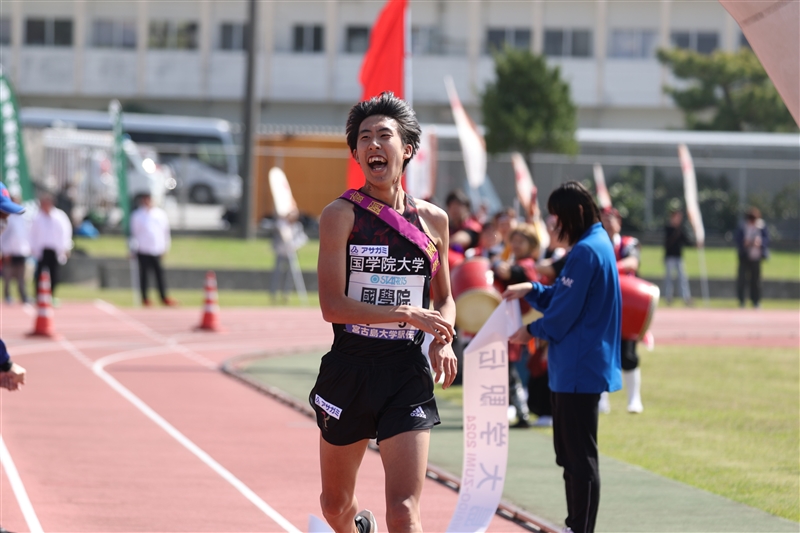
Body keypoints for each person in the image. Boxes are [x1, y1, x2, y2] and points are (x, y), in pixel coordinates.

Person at [310, 92, 457, 533]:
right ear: (355, 152)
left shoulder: (434, 221)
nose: (374, 144)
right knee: (334, 505)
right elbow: (331, 306)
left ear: (407, 149)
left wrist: (442, 336)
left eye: (384, 135)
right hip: (350, 367)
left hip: (405, 373)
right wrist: (409, 313)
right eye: (364, 138)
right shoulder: (340, 216)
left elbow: (445, 297)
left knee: (404, 510)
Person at [503, 181, 621, 533]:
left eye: (557, 219)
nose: (553, 227)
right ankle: (576, 525)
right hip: (577, 364)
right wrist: (533, 289)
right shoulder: (593, 246)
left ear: (576, 215)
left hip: (579, 366)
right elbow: (566, 295)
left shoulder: (586, 250)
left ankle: (579, 528)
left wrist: (531, 331)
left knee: (578, 457)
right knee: (571, 454)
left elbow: (566, 310)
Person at [494, 223, 541, 428]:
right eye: (514, 240)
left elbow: (507, 272)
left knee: (510, 371)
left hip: (516, 325)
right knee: (506, 371)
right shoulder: (518, 263)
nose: (516, 244)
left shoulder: (526, 265)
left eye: (521, 241)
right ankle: (518, 412)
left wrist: (496, 264)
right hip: (509, 323)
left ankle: (522, 413)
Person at [600, 206, 643, 414]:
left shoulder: (628, 243)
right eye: (603, 219)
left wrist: (610, 268)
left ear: (619, 222)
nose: (608, 222)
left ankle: (634, 398)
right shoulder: (595, 244)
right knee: (600, 351)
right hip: (600, 303)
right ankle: (601, 399)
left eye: (611, 218)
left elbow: (632, 261)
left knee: (628, 352)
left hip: (624, 304)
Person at [130, 193, 177, 307]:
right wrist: (132, 249)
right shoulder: (137, 215)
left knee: (159, 275)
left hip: (156, 249)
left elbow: (165, 232)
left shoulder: (160, 214)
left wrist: (166, 247)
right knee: (144, 275)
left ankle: (163, 297)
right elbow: (133, 233)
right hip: (143, 249)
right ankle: (145, 298)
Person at [30, 192, 73, 300]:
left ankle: (51, 295)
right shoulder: (37, 217)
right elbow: (32, 234)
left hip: (55, 250)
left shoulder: (59, 216)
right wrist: (32, 248)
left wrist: (66, 247)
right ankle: (38, 295)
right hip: (41, 250)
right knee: (38, 273)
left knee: (54, 274)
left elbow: (66, 232)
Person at [1, 193, 31, 304]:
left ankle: (23, 296)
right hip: (9, 252)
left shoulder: (23, 217)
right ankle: (7, 295)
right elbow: (4, 236)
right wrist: (5, 251)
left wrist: (28, 249)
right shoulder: (6, 217)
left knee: (22, 278)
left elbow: (27, 234)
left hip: (21, 251)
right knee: (8, 276)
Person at [735, 207, 769, 309]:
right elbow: (737, 239)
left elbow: (767, 239)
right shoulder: (743, 227)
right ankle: (742, 301)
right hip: (745, 257)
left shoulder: (761, 226)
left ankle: (756, 301)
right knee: (742, 279)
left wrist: (760, 243)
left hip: (756, 256)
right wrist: (745, 243)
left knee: (756, 280)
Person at [663, 202, 692, 306]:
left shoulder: (681, 229)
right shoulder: (668, 228)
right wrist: (675, 232)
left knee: (682, 278)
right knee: (669, 278)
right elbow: (668, 243)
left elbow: (686, 241)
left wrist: (695, 243)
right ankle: (668, 298)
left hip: (679, 257)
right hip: (670, 256)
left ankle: (686, 298)